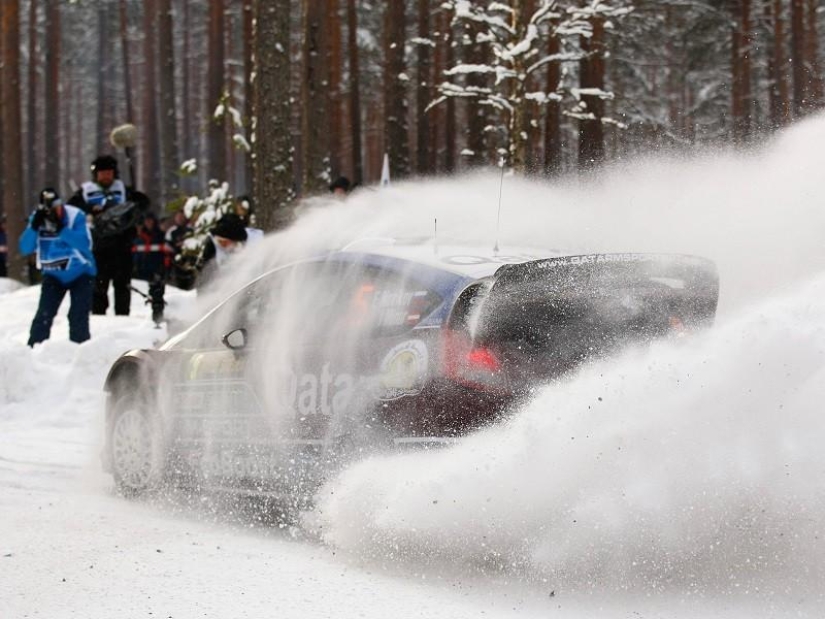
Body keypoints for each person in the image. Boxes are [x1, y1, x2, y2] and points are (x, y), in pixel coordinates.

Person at [68, 154, 149, 316]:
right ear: (96, 174)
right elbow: (71, 209)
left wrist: (133, 209)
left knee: (122, 283)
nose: (106, 176)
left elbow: (142, 204)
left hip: (122, 244)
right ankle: (99, 317)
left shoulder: (124, 190)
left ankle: (122, 316)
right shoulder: (86, 191)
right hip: (98, 245)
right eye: (102, 173)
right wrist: (90, 211)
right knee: (98, 284)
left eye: (109, 173)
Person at [19, 188, 96, 347]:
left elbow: (85, 244)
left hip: (81, 273)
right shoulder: (37, 219)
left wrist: (61, 229)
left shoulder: (75, 216)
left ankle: (81, 351)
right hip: (53, 275)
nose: (55, 212)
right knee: (44, 315)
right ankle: (34, 350)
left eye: (57, 207)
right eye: (50, 209)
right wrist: (33, 228)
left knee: (78, 315)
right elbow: (25, 248)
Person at [132, 212, 169, 324]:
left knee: (157, 294)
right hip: (142, 270)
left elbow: (166, 253)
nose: (148, 223)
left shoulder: (160, 236)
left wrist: (164, 268)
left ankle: (158, 318)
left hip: (157, 269)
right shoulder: (139, 237)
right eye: (146, 221)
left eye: (150, 220)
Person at [197, 213, 248, 289]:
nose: (223, 245)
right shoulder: (211, 246)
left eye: (226, 242)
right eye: (220, 242)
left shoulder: (249, 244)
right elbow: (204, 273)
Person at [165, 210, 195, 290]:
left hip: (191, 261)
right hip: (177, 263)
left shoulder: (191, 229)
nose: (180, 219)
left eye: (182, 217)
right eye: (178, 217)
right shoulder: (172, 231)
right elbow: (168, 246)